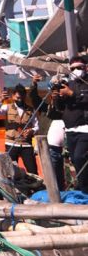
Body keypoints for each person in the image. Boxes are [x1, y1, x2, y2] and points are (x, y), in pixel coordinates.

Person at [52, 56, 88, 192]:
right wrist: (56, 98)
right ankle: (82, 186)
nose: (76, 70)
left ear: (86, 68)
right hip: (70, 129)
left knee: (79, 157)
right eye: (73, 68)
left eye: (79, 67)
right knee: (74, 159)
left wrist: (71, 94)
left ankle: (85, 190)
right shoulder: (68, 84)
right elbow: (60, 108)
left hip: (86, 129)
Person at [0, 82, 40, 174]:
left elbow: (37, 126)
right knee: (11, 171)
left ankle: (35, 187)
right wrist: (1, 100)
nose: (20, 100)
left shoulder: (31, 110)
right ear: (13, 96)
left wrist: (32, 130)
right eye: (18, 98)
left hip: (26, 144)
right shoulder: (7, 107)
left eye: (22, 98)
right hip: (11, 143)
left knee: (32, 170)